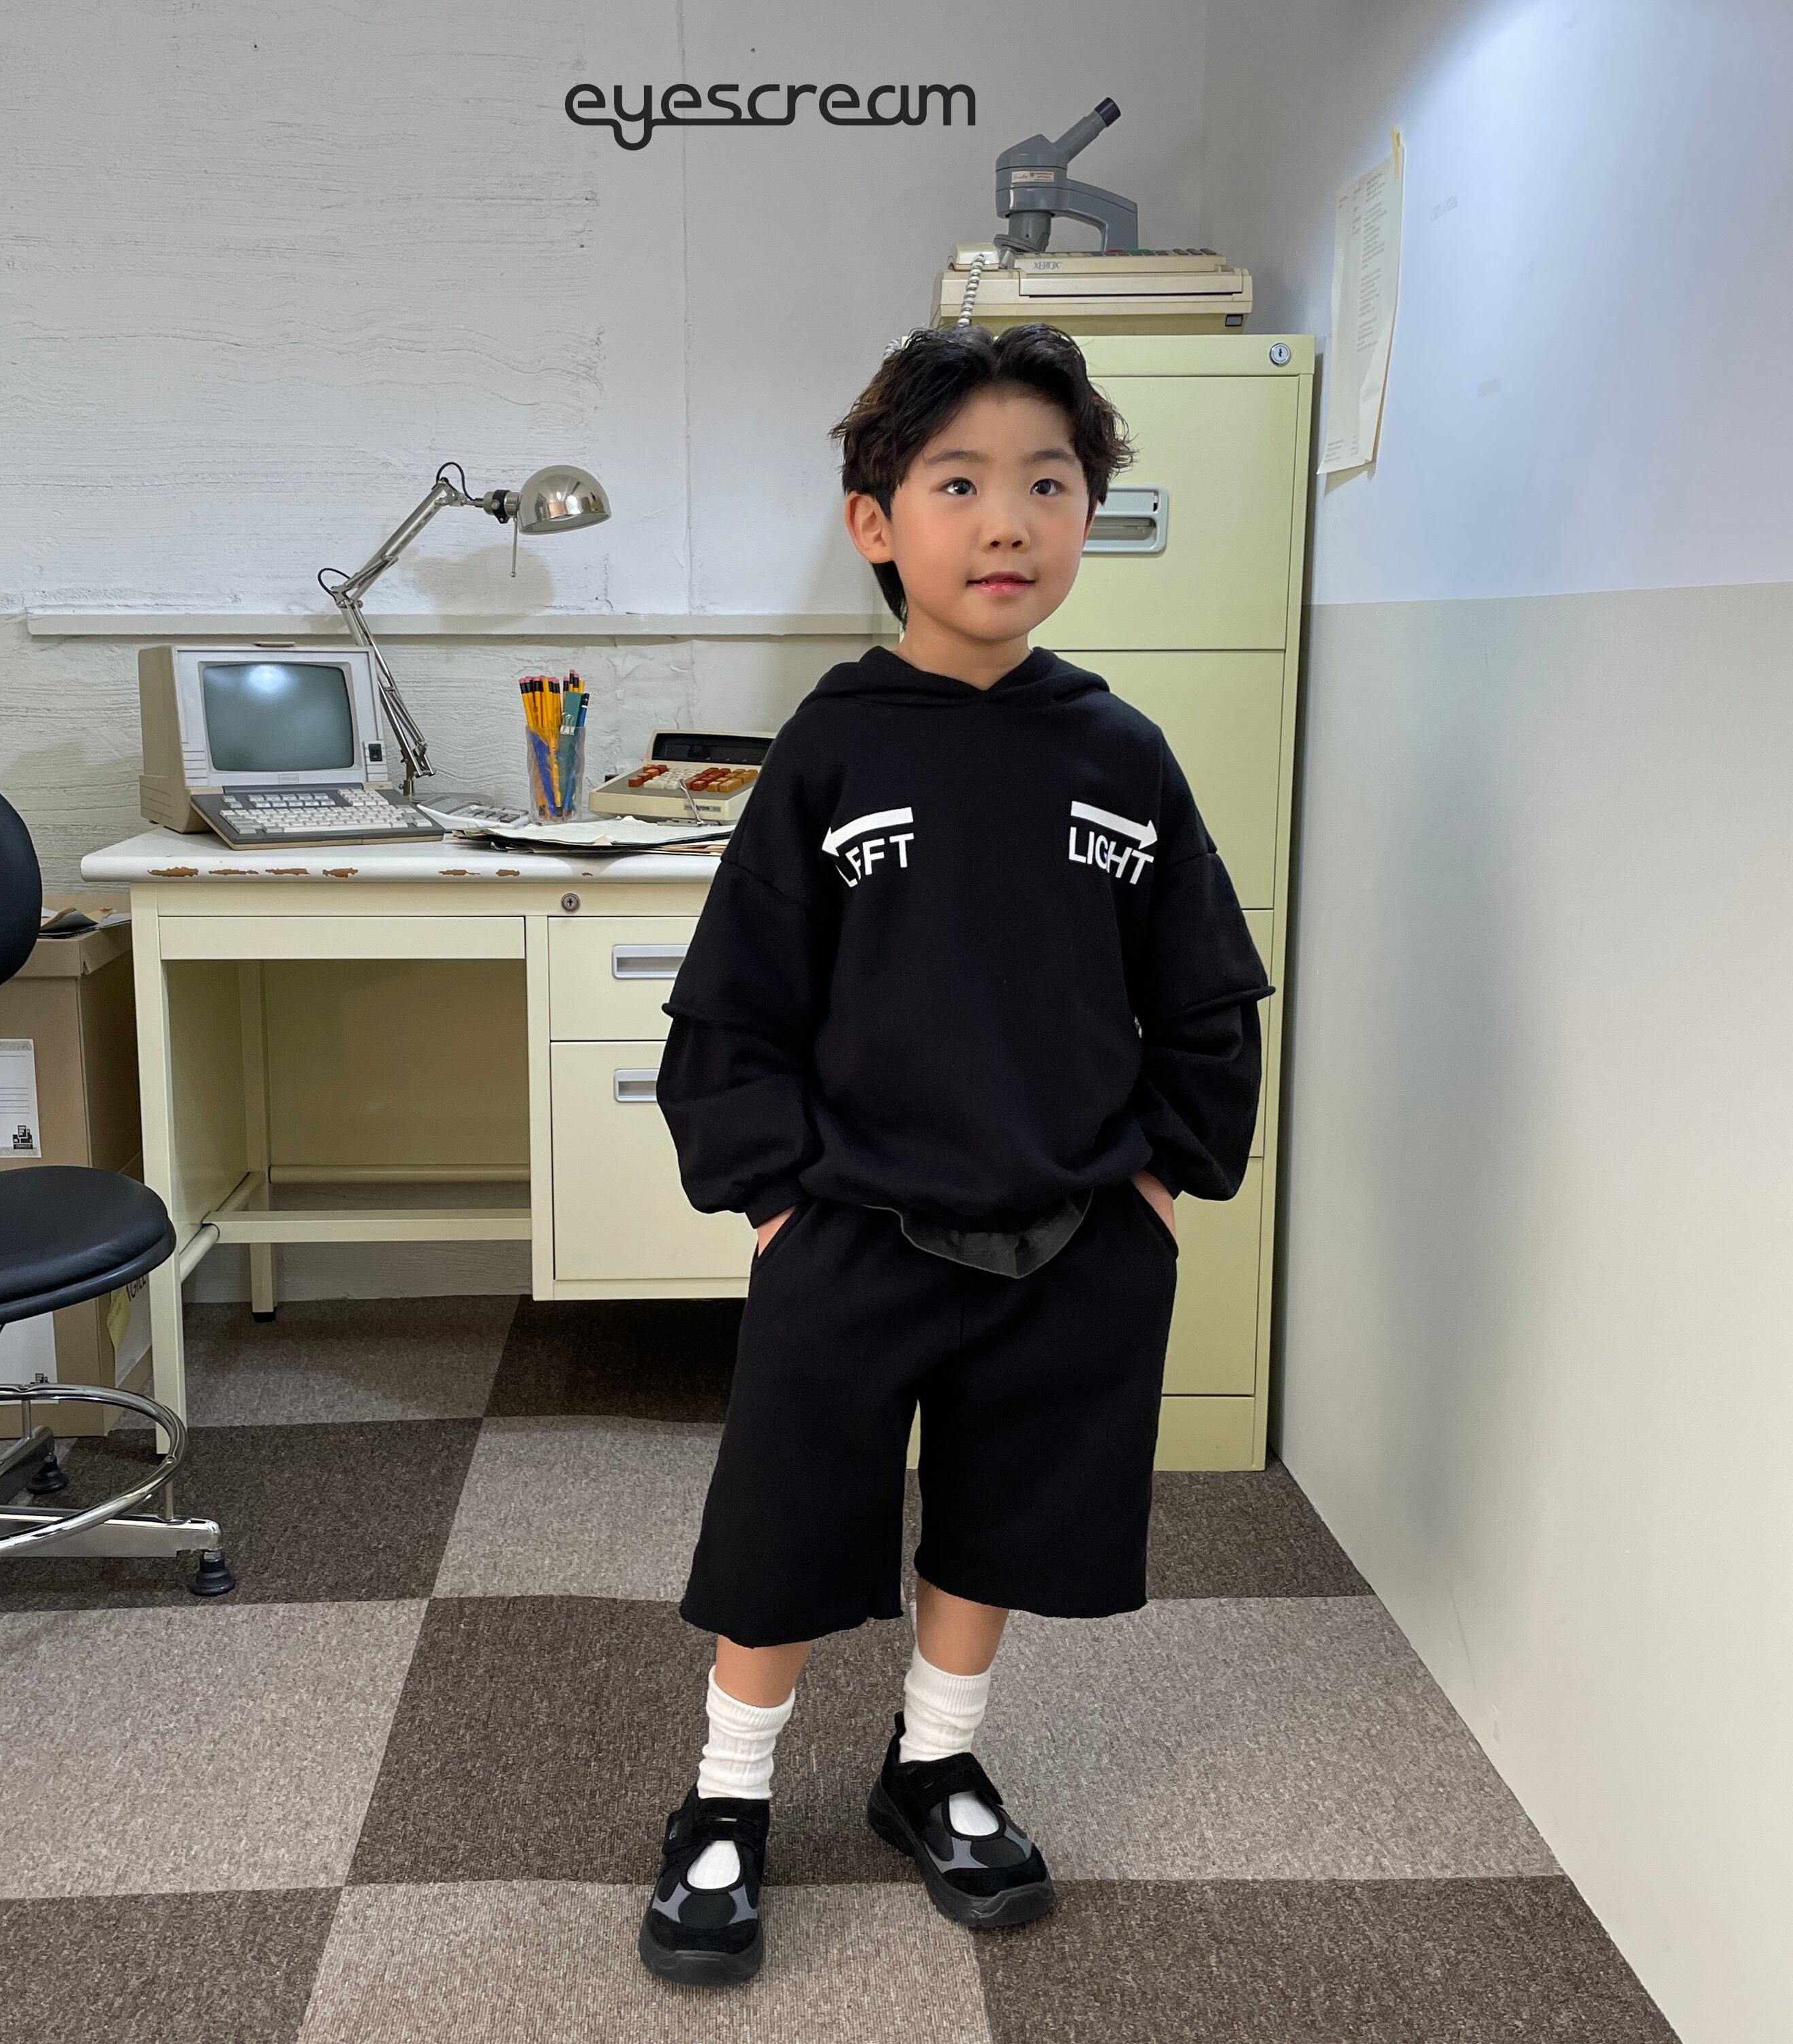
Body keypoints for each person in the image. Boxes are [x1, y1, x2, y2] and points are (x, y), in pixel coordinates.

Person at [639, 321, 1274, 1986]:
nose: (1009, 522)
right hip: (852, 1228)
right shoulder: (833, 749)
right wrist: (775, 1200)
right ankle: (726, 1797)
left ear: (1088, 517)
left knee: (1000, 1517)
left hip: (1071, 1232)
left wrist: (1157, 1187)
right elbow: (736, 1003)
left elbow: (1206, 990)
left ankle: (933, 1764)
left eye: (1049, 485)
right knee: (787, 1525)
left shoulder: (1121, 752)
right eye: (960, 484)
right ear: (876, 522)